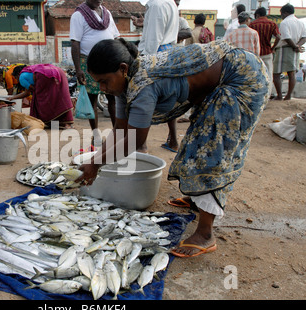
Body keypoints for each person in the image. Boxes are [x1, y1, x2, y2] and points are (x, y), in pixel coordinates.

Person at [76, 38, 269, 258]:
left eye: (104, 81)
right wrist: (94, 161)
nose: (102, 88)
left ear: (123, 69)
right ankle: (200, 200)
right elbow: (120, 129)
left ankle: (206, 233)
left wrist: (96, 164)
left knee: (212, 151)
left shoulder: (143, 86)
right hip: (223, 76)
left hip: (243, 77)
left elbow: (134, 141)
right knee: (197, 141)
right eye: (98, 83)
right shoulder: (123, 86)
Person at [131, 0, 179, 153]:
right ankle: (173, 139)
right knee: (168, 97)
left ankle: (141, 144)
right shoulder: (169, 3)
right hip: (167, 51)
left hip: (155, 55)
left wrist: (144, 63)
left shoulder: (157, 5)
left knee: (145, 100)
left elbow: (153, 39)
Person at [70, 0, 120, 146]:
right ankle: (96, 135)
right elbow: (75, 43)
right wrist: (78, 69)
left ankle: (117, 133)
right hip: (88, 62)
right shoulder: (79, 15)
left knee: (113, 99)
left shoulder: (107, 13)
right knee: (92, 100)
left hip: (109, 61)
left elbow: (115, 37)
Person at [7, 64, 74, 129]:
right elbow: (27, 93)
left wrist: (12, 98)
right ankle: (66, 124)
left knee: (39, 101)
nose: (17, 80)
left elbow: (30, 90)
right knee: (59, 98)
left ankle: (40, 123)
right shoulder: (30, 70)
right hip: (59, 71)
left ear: (18, 74)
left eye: (16, 78)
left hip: (43, 75)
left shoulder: (21, 77)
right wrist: (13, 97)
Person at [272, 4, 306, 101]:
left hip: (284, 48)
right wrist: (297, 46)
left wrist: (295, 46)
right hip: (295, 49)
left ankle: (279, 96)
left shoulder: (284, 22)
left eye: (281, 14)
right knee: (292, 73)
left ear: (285, 13)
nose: (281, 16)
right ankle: (288, 96)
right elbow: (304, 37)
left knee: (276, 73)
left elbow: (286, 37)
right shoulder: (300, 22)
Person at [249, 6, 281, 98]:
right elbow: (278, 37)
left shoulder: (252, 25)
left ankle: (256, 96)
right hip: (267, 52)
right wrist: (273, 47)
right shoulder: (272, 24)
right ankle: (267, 96)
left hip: (256, 54)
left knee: (256, 75)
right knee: (269, 75)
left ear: (257, 15)